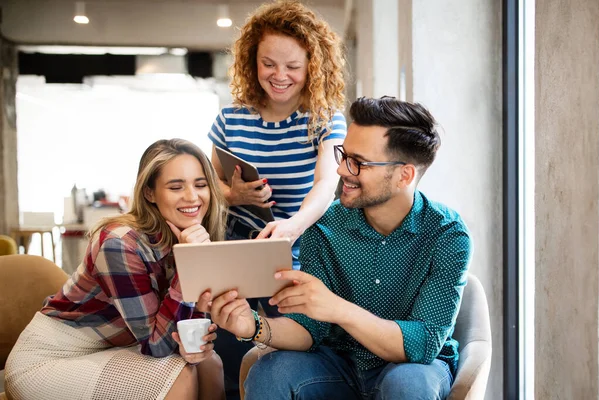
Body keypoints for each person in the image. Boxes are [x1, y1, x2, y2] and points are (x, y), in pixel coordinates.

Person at [210, 96, 473, 399]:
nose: (341, 171)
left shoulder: (447, 235)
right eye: (343, 155)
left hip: (413, 369)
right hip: (336, 365)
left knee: (407, 384)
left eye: (358, 163)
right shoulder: (325, 226)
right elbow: (308, 327)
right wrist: (252, 325)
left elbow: (422, 345)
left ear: (405, 175)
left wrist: (336, 308)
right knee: (270, 372)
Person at [5, 139, 228, 400]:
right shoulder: (119, 243)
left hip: (110, 351)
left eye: (200, 185)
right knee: (179, 373)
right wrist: (190, 262)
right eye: (176, 187)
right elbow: (157, 346)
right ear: (149, 193)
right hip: (48, 361)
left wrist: (194, 347)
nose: (192, 196)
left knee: (210, 363)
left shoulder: (191, 237)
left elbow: (188, 326)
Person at [208, 0, 347, 269]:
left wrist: (292, 227)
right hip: (235, 250)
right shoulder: (230, 119)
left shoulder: (326, 121)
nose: (280, 76)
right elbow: (210, 183)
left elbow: (327, 184)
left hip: (297, 252)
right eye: (268, 64)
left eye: (293, 66)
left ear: (313, 67)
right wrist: (233, 196)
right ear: (253, 61)